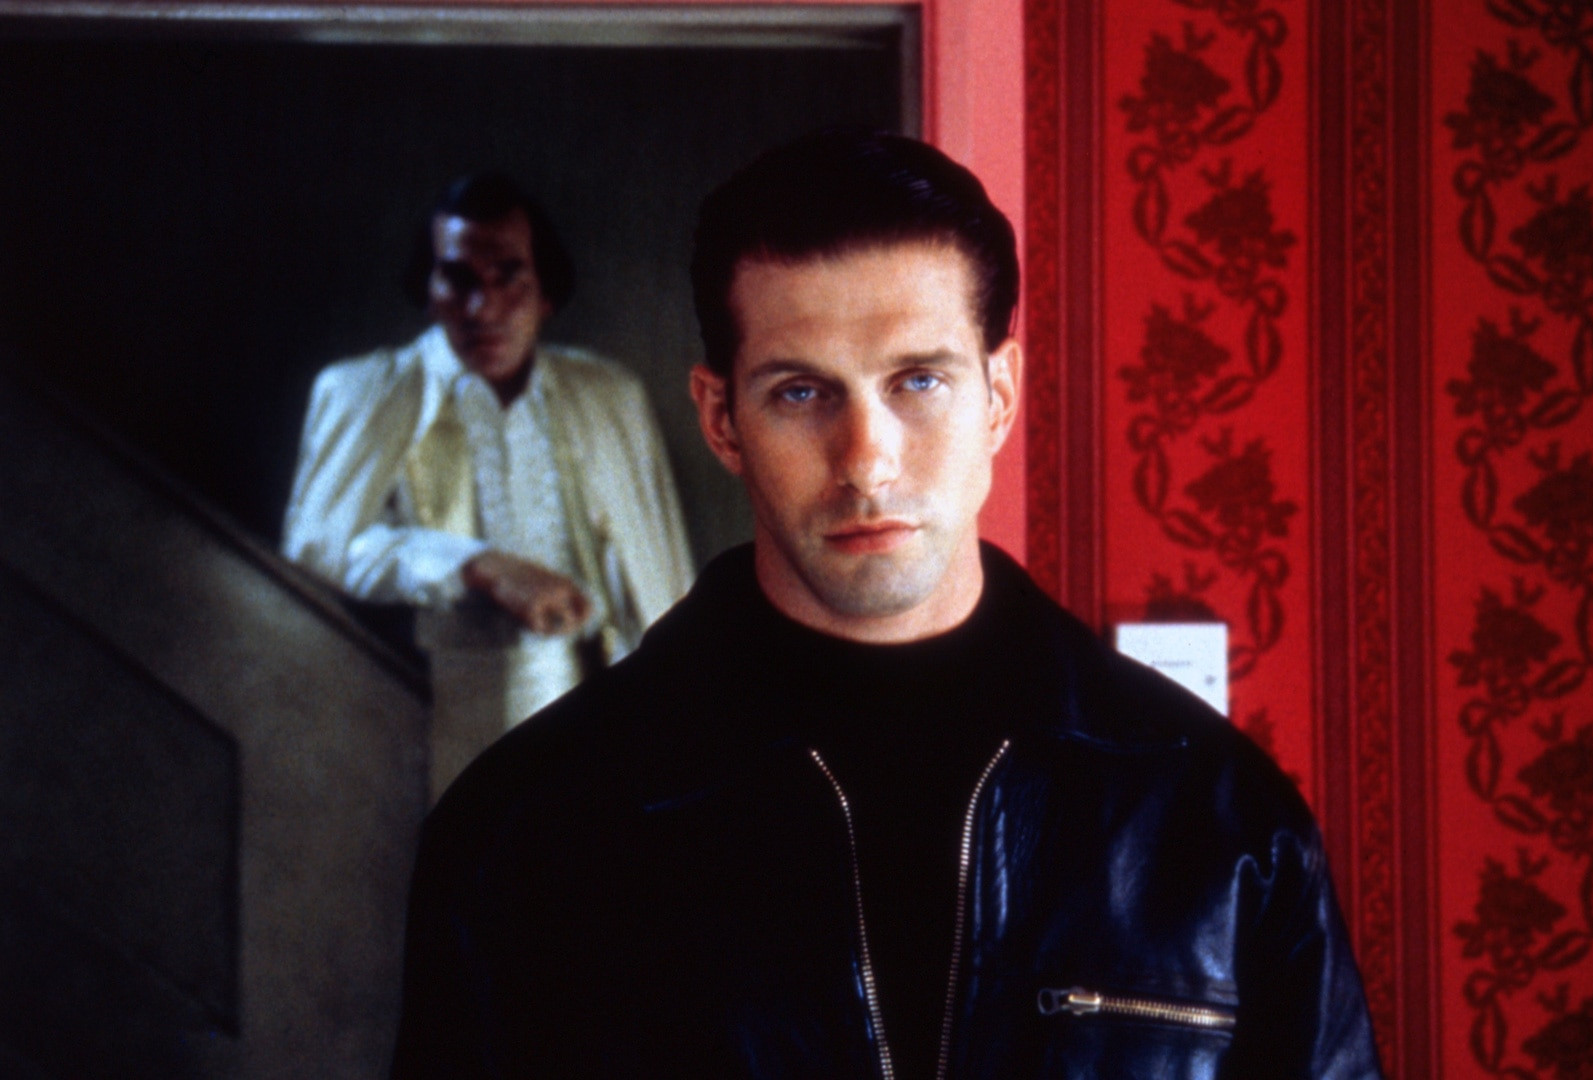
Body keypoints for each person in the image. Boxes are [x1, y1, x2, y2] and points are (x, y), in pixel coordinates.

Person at [390, 131, 1381, 1079]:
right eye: (801, 393)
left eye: (918, 382)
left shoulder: (1220, 820)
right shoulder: (525, 833)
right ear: (721, 420)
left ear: (999, 396)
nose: (867, 462)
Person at [283, 172, 694, 799]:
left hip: (604, 719)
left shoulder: (608, 396)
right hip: (435, 713)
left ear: (545, 292)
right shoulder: (367, 393)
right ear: (429, 289)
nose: (483, 308)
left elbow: (662, 580)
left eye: (508, 276)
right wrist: (477, 565)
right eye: (459, 279)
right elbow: (320, 547)